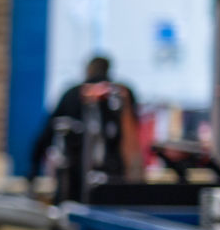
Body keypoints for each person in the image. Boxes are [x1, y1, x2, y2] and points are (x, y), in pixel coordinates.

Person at [28, 55, 140, 201]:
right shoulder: (122, 95)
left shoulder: (73, 95)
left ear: (88, 70)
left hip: (77, 176)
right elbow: (134, 134)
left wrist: (33, 171)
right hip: (113, 175)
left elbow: (46, 134)